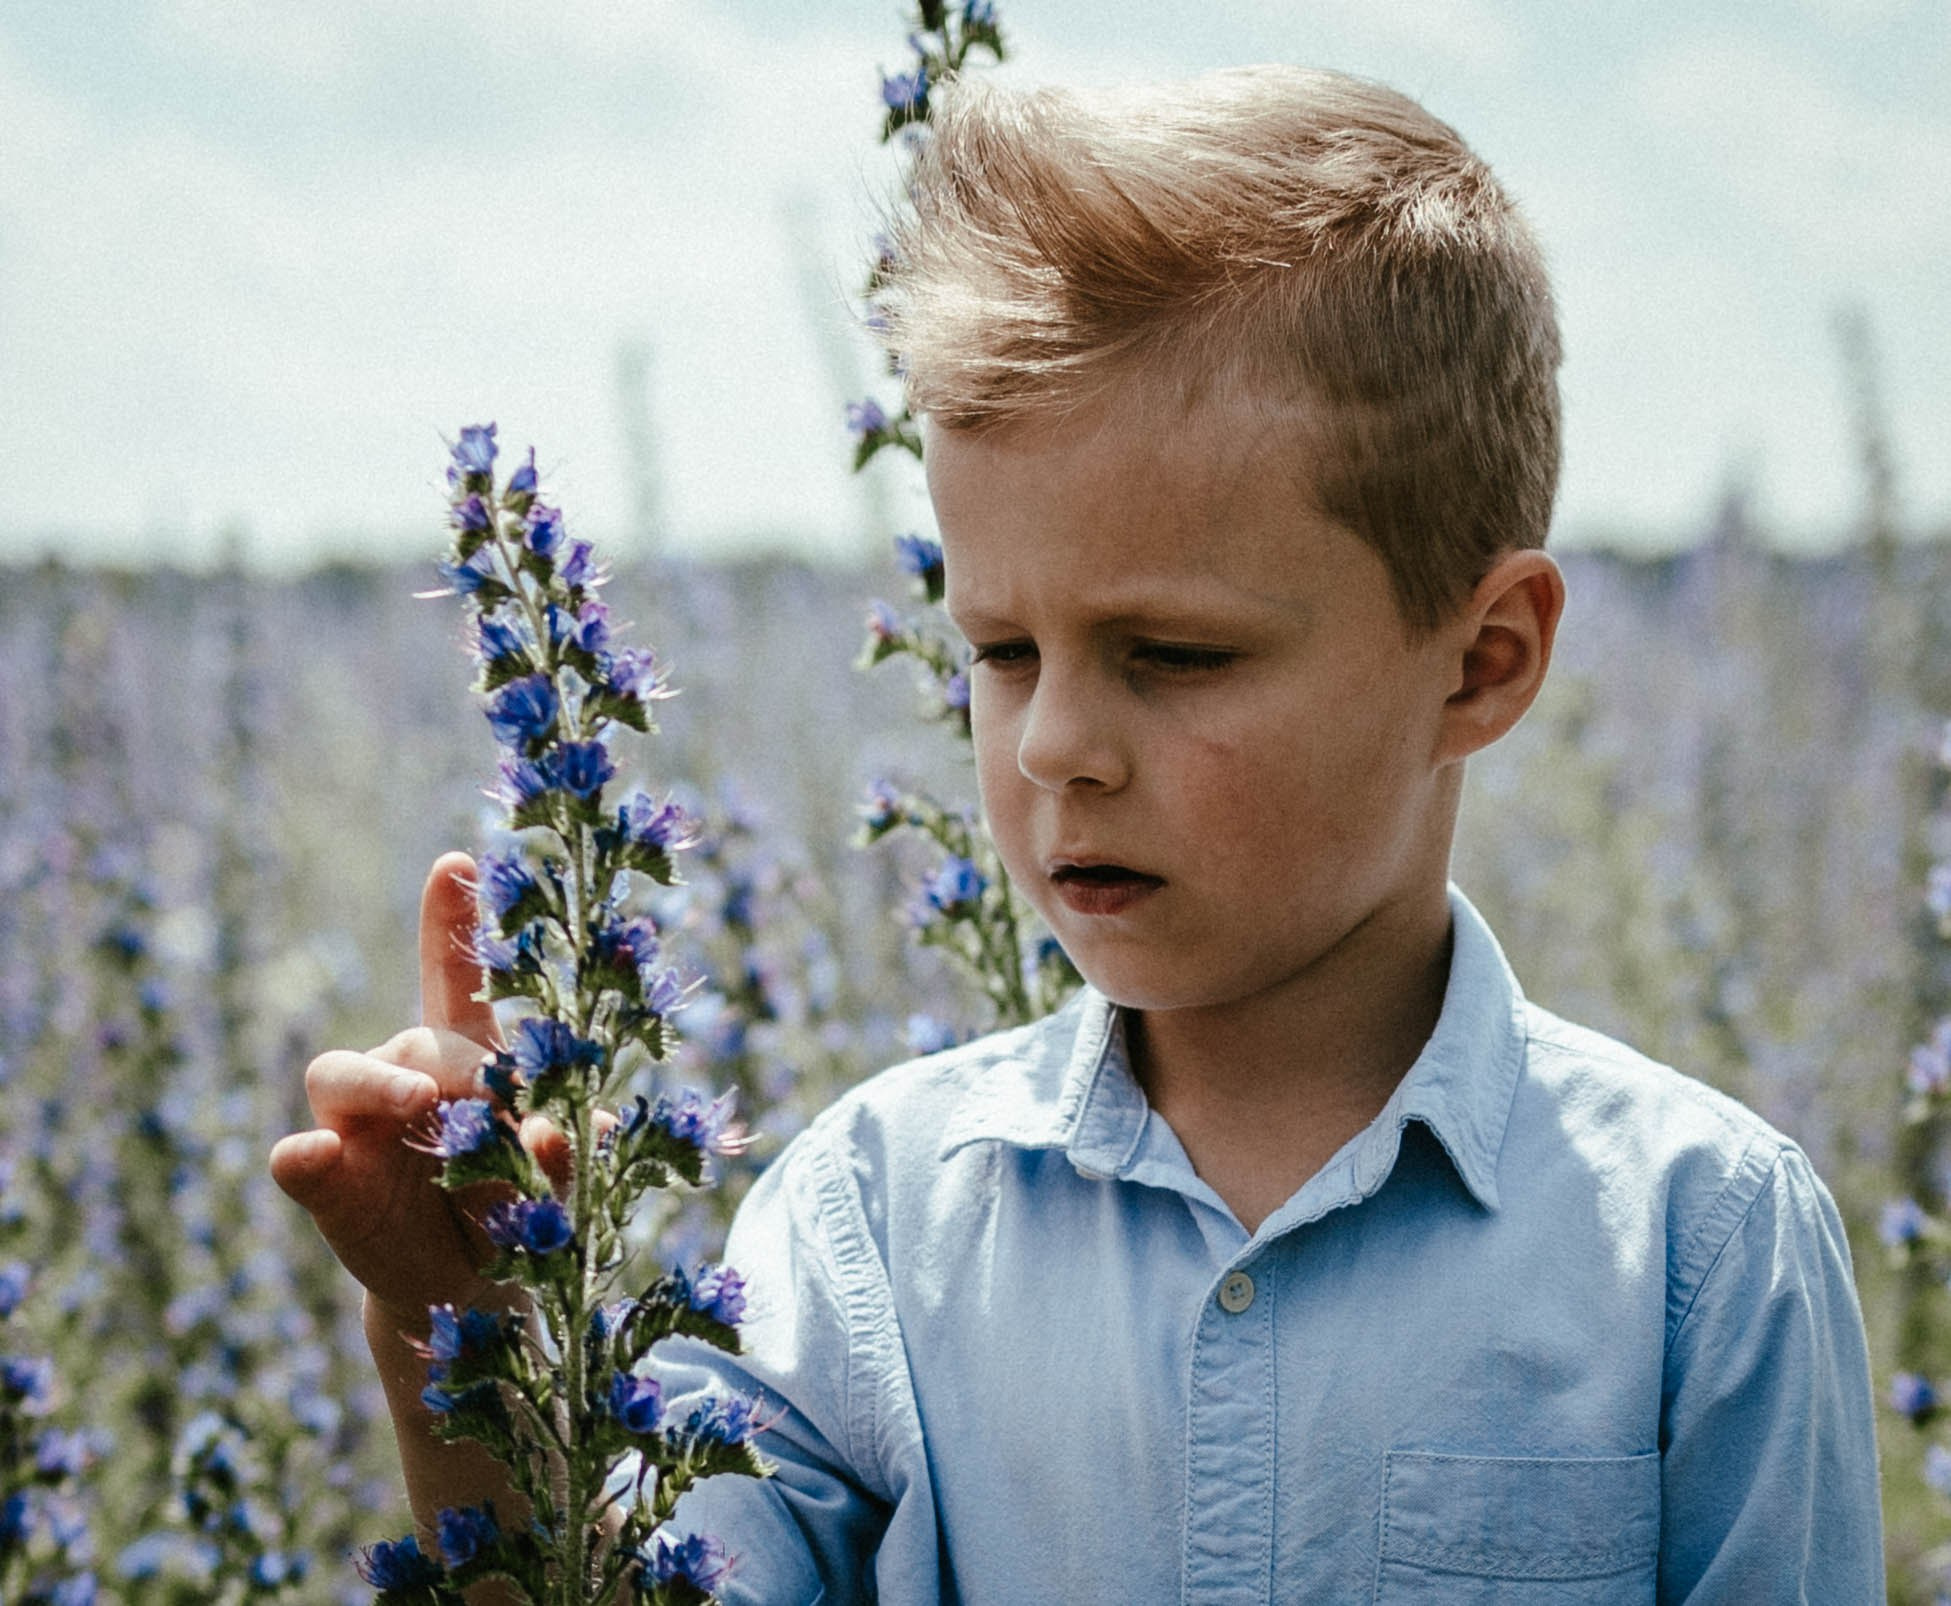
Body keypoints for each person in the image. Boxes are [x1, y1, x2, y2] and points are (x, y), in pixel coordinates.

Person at [273, 65, 1885, 1602]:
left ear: (1482, 660)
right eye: (1000, 650)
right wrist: (467, 1343)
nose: (1053, 744)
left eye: (1173, 654)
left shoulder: (1698, 1245)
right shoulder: (872, 1230)